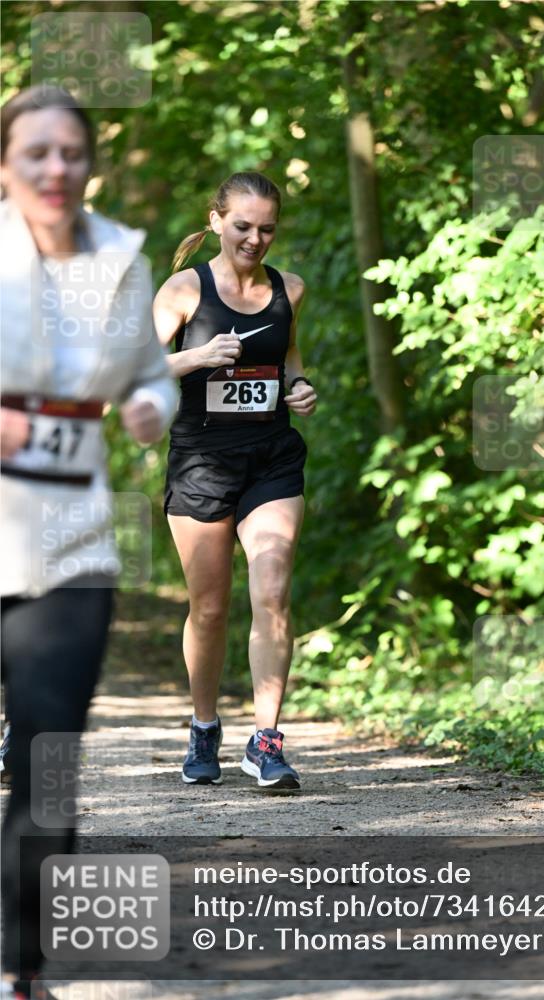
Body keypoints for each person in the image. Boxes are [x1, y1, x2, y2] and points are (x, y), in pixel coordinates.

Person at [0, 85, 177, 999]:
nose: (56, 168)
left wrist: (153, 403)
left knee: (49, 760)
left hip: (70, 542)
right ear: (7, 164)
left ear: (90, 163)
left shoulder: (122, 259)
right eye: (37, 152)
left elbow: (151, 370)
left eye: (71, 152)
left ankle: (22, 969)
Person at [153, 171, 317, 791]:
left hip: (271, 457)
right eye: (243, 226)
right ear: (217, 220)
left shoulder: (289, 289)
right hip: (201, 461)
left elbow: (289, 356)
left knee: (272, 585)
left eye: (267, 228)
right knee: (211, 607)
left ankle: (267, 741)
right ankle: (204, 728)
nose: (255, 238)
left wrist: (298, 387)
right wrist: (197, 356)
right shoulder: (183, 290)